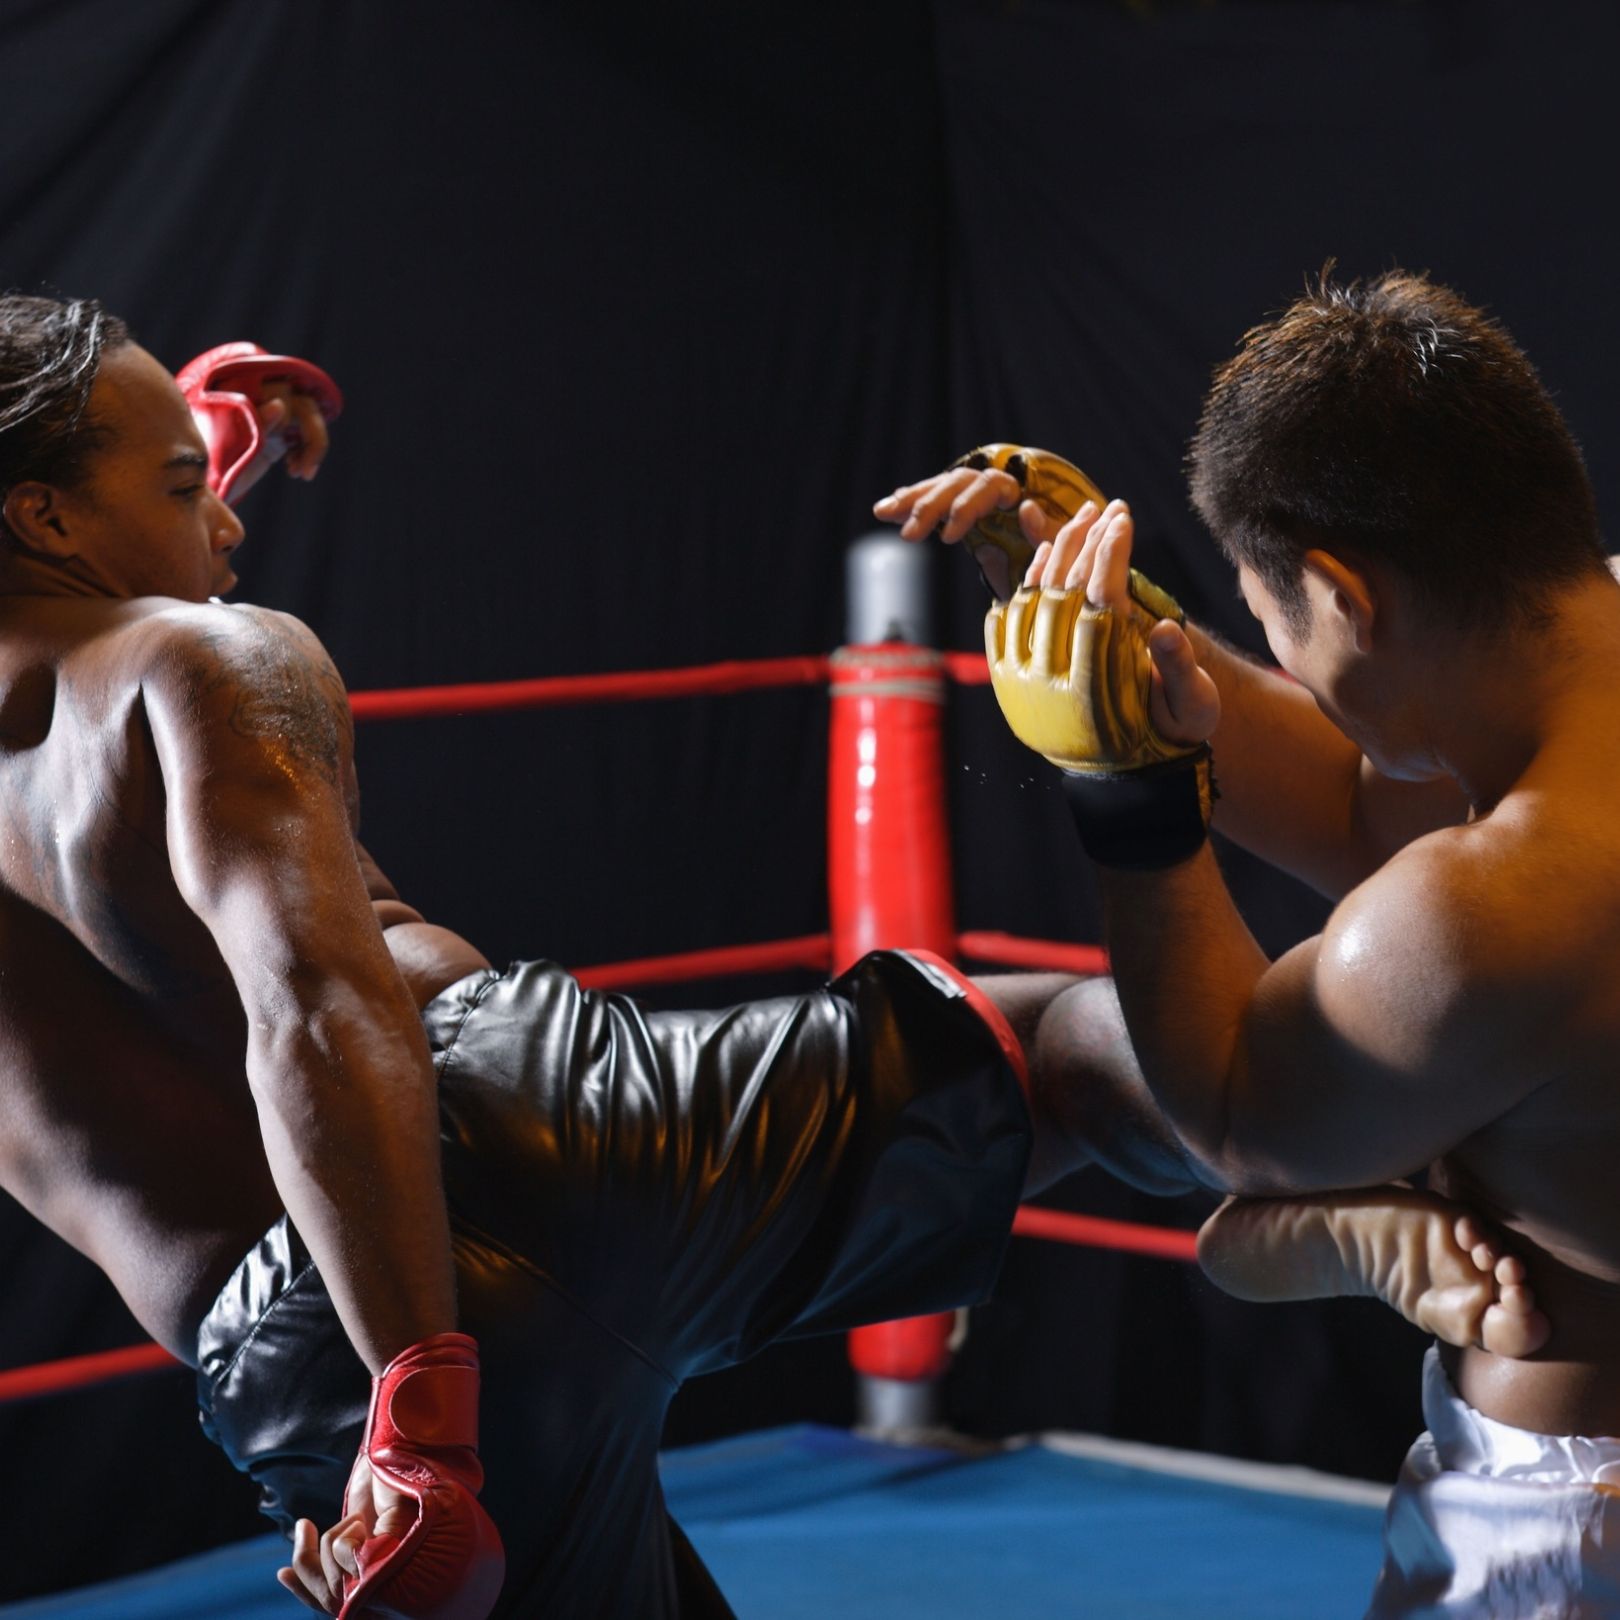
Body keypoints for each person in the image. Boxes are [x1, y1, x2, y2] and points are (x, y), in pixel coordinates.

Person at [4, 290, 1443, 1619]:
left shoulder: (118, 650)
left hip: (308, 1352)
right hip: (513, 1142)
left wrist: (407, 1435)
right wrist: (421, 1397)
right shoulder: (205, 660)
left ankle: (1390, 1144)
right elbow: (313, 1008)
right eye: (183, 488)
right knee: (1063, 1059)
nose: (226, 520)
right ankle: (1419, 1128)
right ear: (44, 515)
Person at [877, 268, 1620, 1617]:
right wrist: (1140, 639)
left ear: (1342, 594)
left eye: (1275, 624)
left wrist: (1130, 795)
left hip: (1575, 1530)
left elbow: (1233, 1114)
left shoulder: (1488, 914)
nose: (1281, 657)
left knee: (1181, 1137)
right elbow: (1355, 800)